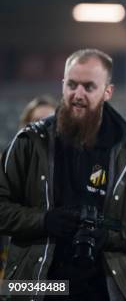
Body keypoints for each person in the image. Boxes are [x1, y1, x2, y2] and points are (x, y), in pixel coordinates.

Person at [0, 49, 126, 300]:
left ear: (107, 91)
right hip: (40, 288)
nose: (78, 94)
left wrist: (109, 236)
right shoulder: (29, 142)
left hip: (103, 289)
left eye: (89, 87)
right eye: (72, 85)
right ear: (63, 85)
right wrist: (44, 221)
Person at [0, 95, 57, 280]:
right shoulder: (6, 165)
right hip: (13, 268)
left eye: (50, 121)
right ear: (23, 128)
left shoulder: (71, 170)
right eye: (37, 122)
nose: (44, 127)